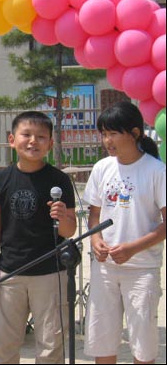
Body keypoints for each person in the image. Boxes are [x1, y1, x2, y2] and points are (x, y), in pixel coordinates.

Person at [0, 111, 77, 363]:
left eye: (41, 137)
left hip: (50, 274)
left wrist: (62, 217)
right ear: (12, 139)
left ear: (51, 144)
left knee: (51, 346)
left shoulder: (59, 180)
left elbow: (70, 231)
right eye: (26, 135)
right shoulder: (0, 180)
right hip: (9, 273)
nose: (33, 141)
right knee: (4, 344)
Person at [83, 102, 166, 364]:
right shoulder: (101, 168)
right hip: (105, 268)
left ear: (134, 133)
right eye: (103, 134)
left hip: (142, 269)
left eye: (113, 133)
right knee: (102, 339)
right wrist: (96, 239)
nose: (107, 140)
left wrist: (133, 248)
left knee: (142, 342)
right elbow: (94, 214)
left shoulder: (157, 171)